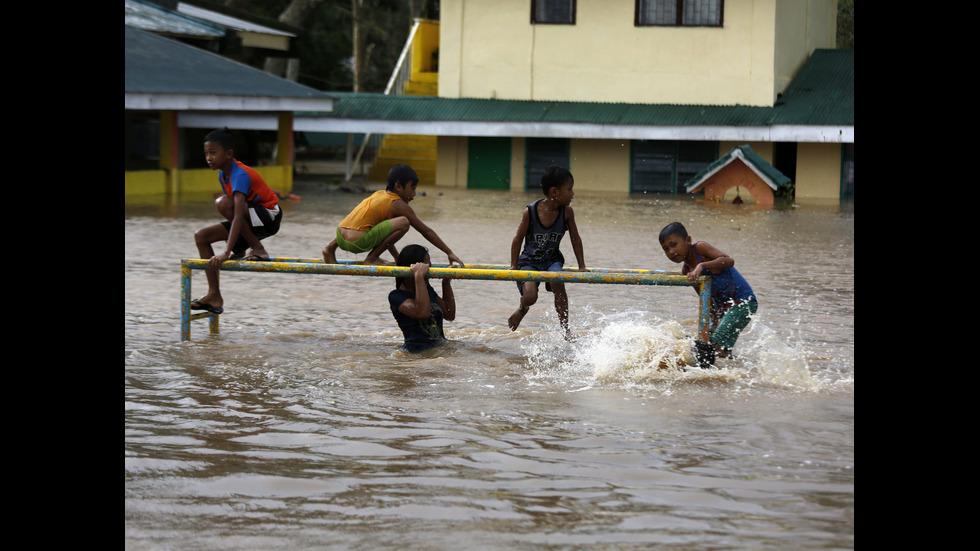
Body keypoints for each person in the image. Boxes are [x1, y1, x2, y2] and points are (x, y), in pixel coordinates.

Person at [191, 127, 283, 315]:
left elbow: (237, 214)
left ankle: (258, 249)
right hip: (252, 218)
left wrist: (226, 252)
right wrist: (236, 247)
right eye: (206, 153)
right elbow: (236, 214)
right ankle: (214, 295)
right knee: (201, 236)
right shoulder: (222, 174)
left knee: (222, 203)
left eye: (213, 153)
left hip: (269, 216)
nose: (209, 158)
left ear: (229, 153)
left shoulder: (239, 174)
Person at [322, 164, 464, 267]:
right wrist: (449, 252)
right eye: (412, 189)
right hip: (358, 243)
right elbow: (426, 231)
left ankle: (330, 248)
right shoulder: (398, 204)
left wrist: (398, 259)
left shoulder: (379, 195)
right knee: (404, 222)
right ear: (398, 187)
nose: (414, 194)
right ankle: (371, 258)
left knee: (369, 220)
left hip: (340, 236)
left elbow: (384, 234)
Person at [658, 221, 757, 366]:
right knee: (706, 344)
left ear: (688, 240)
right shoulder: (687, 271)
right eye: (666, 249)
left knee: (713, 348)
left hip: (743, 302)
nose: (671, 252)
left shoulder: (700, 248)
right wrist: (714, 321)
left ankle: (730, 375)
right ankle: (741, 370)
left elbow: (729, 260)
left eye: (674, 245)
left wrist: (702, 266)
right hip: (723, 309)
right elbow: (706, 298)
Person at [507, 164, 587, 340]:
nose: (572, 194)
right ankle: (522, 309)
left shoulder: (567, 212)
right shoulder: (531, 212)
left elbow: (575, 238)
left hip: (552, 260)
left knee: (558, 282)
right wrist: (513, 266)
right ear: (554, 192)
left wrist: (582, 266)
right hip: (529, 261)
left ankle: (566, 329)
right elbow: (517, 239)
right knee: (530, 296)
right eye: (569, 189)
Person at [388, 244, 456, 352]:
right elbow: (422, 313)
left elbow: (449, 314)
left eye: (429, 266)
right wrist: (419, 276)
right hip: (417, 354)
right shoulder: (396, 296)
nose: (428, 270)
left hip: (440, 349)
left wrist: (446, 281)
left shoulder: (427, 289)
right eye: (425, 266)